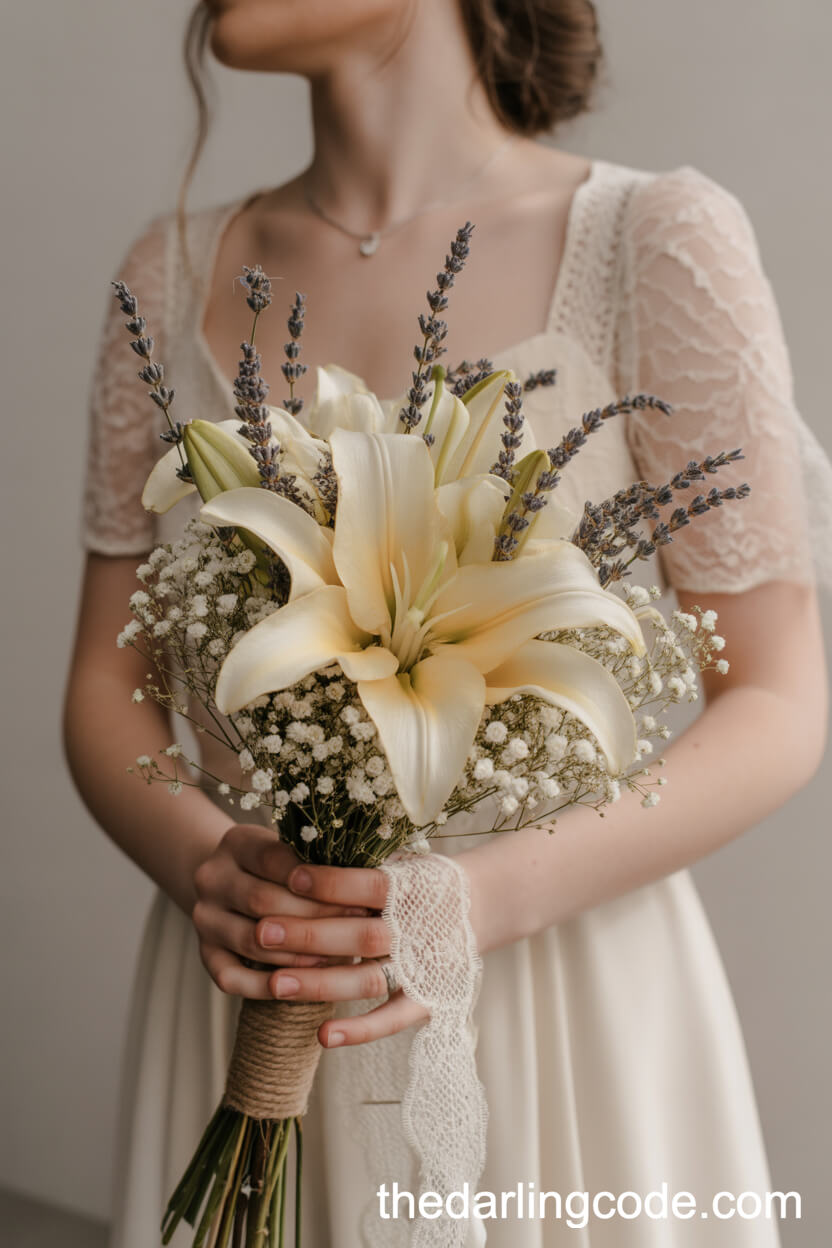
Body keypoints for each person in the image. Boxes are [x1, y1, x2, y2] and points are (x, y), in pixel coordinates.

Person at [64, 1, 831, 1245]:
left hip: (555, 998)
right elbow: (109, 687)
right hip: (257, 988)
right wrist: (209, 868)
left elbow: (781, 700)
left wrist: (468, 906)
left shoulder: (651, 238)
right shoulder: (166, 275)